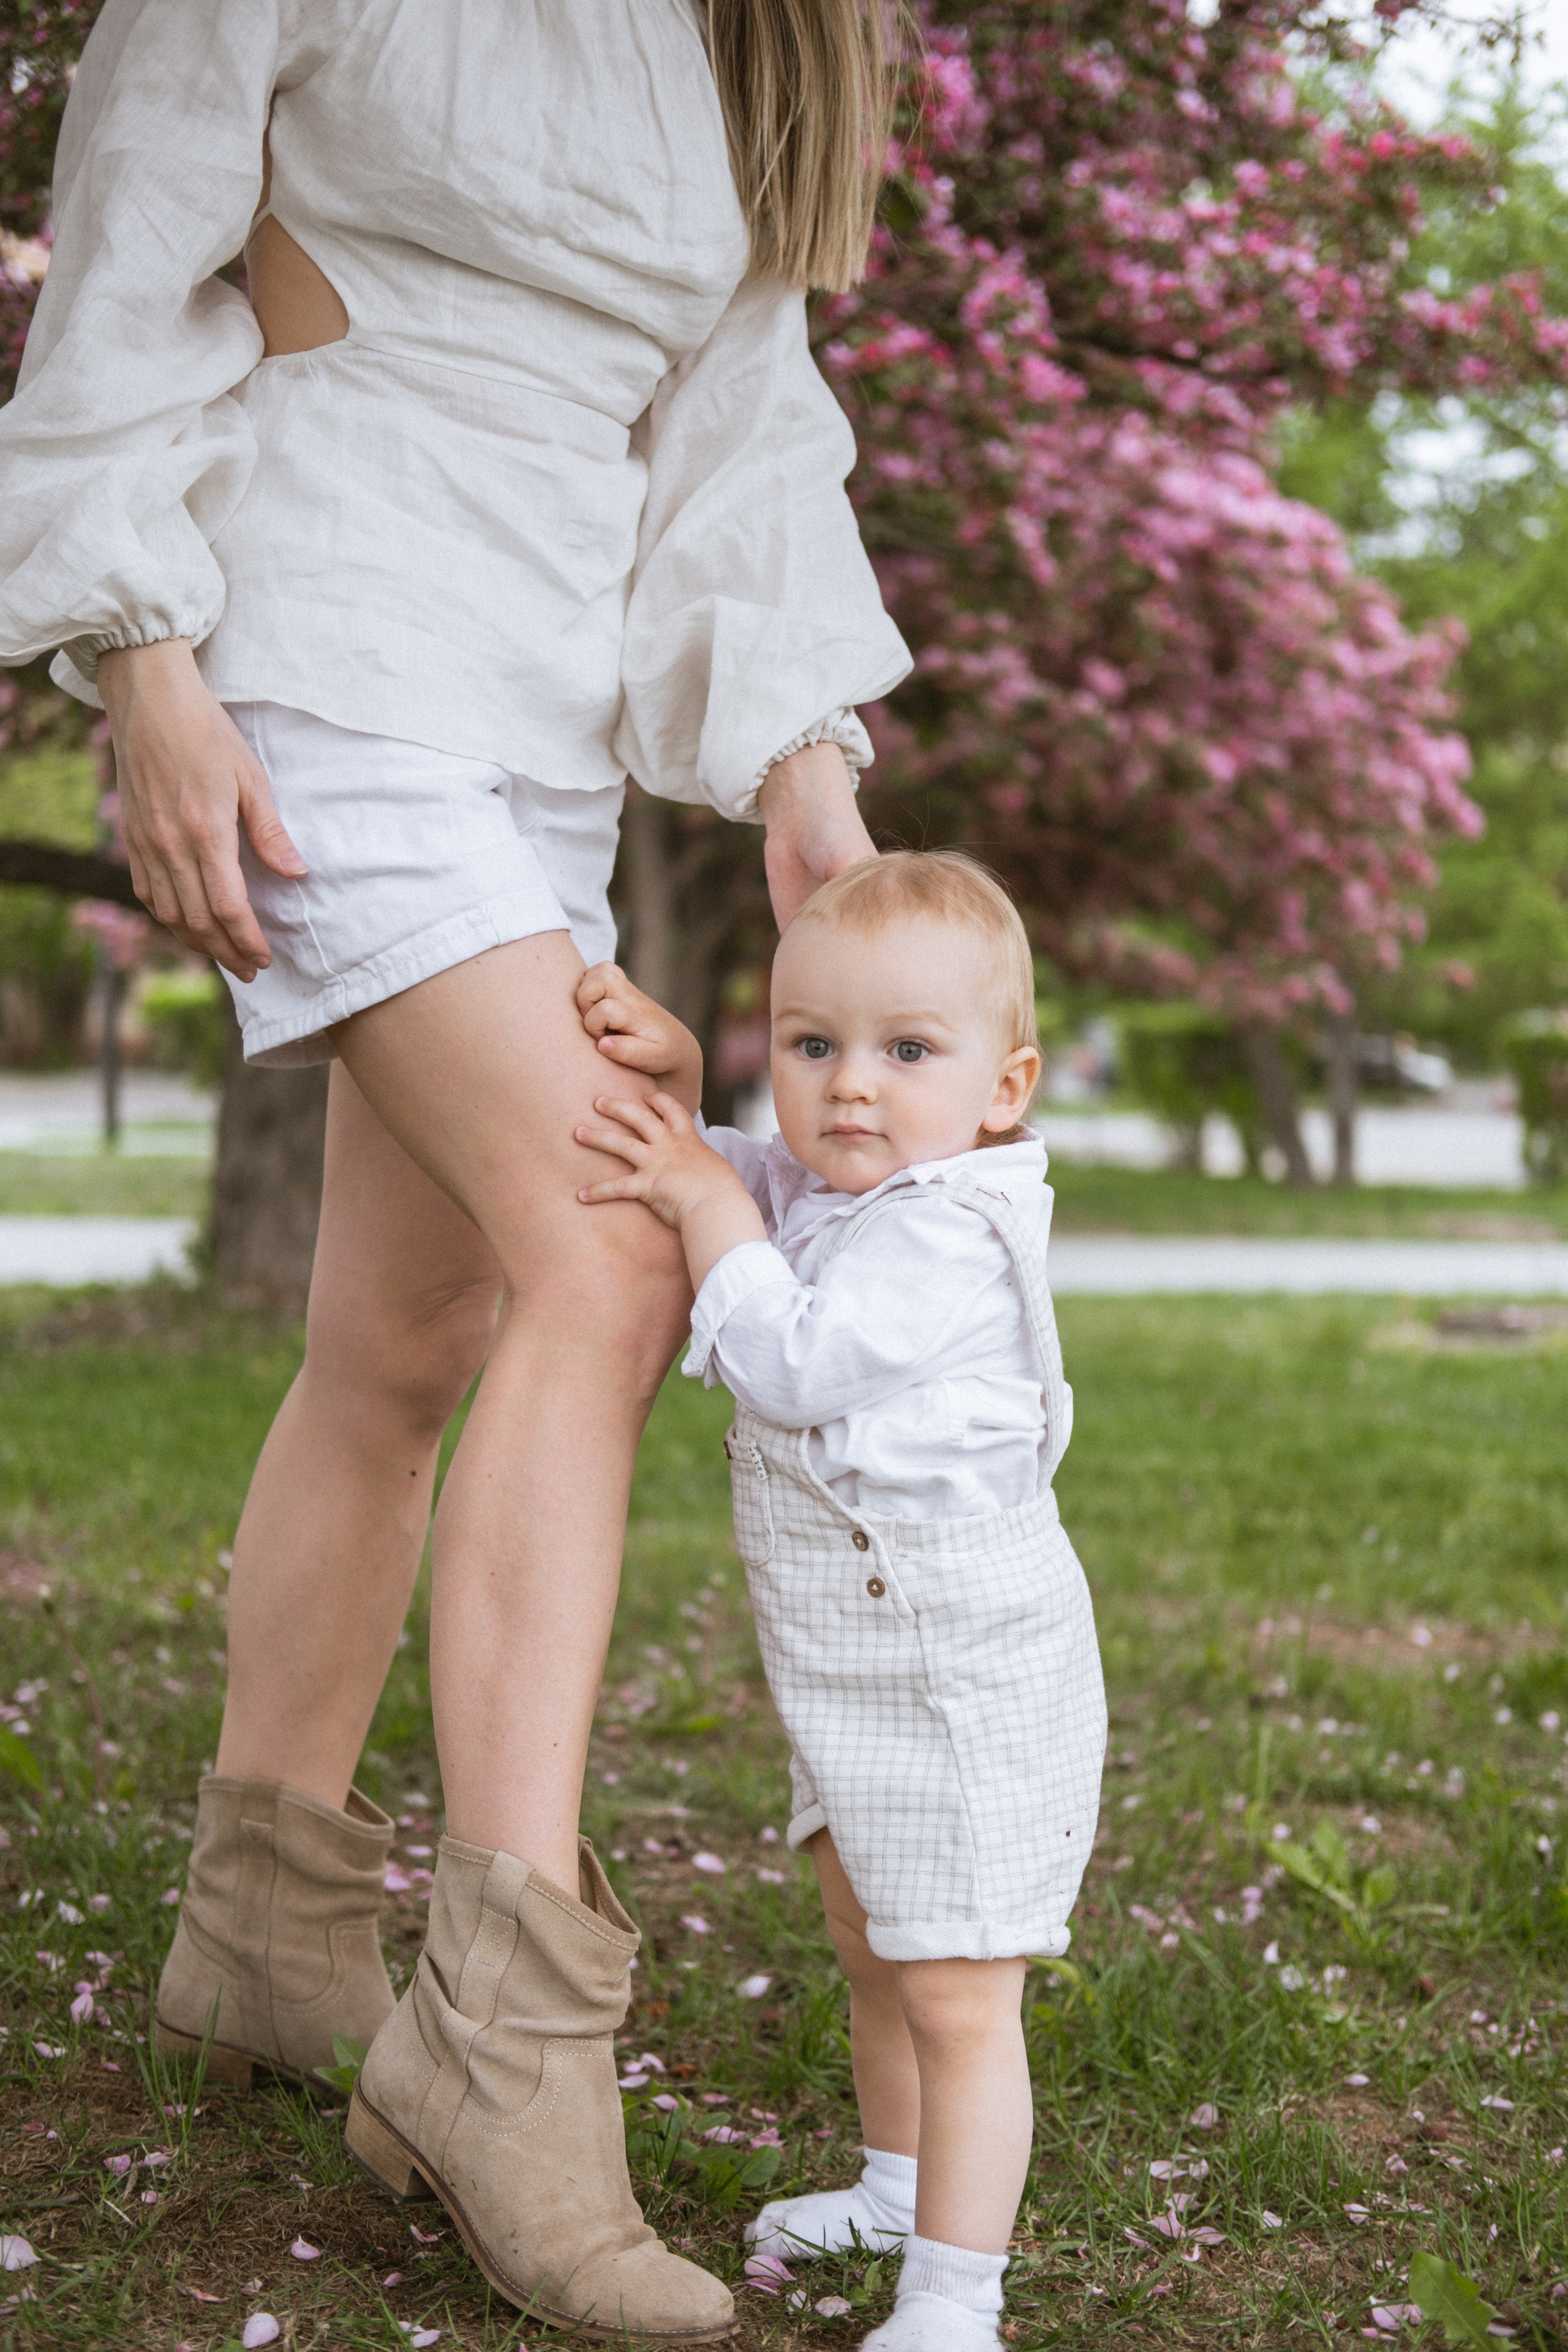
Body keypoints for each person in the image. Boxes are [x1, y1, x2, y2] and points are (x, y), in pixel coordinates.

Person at [0, 0, 913, 2337]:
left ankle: (266, 1926)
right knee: (611, 1249)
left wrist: (804, 754)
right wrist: (145, 661)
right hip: (305, 637)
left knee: (418, 1331)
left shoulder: (755, 46)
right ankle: (503, 2044)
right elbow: (133, 245)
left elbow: (741, 425)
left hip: (540, 715)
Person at [570, 851, 1109, 2352]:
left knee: (955, 1990)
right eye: (811, 1046)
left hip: (958, 1666)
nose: (847, 1088)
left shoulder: (950, 1229)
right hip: (857, 1657)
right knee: (871, 1943)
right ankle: (895, 2183)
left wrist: (690, 1191)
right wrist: (689, 1130)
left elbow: (793, 1358)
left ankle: (956, 2297)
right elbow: (744, 1179)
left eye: (904, 1052)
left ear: (1002, 1088)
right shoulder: (834, 1181)